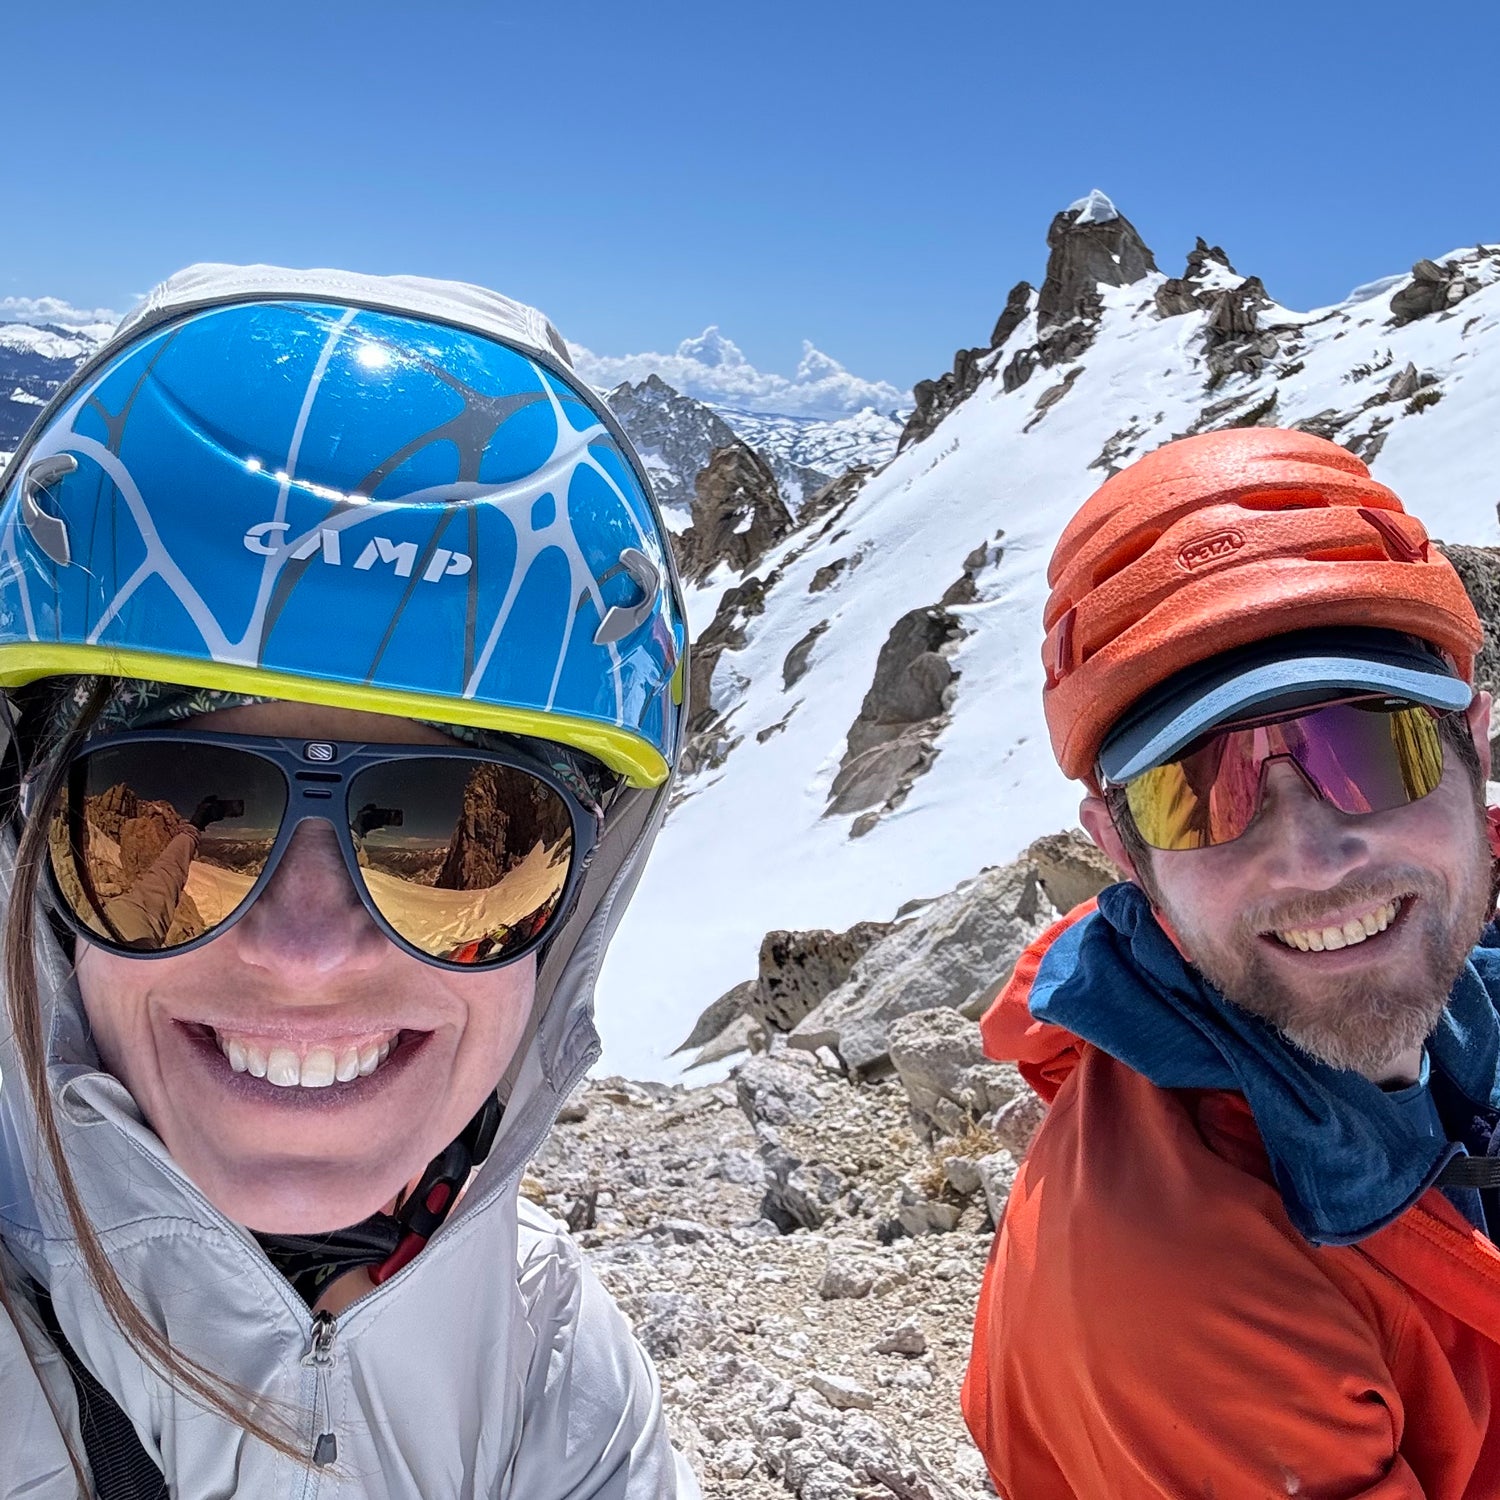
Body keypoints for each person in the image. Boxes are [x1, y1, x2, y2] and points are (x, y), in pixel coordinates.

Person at [0, 265, 700, 1496]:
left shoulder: (555, 1372)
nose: (306, 951)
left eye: (460, 845)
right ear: (32, 853)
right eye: (160, 823)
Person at [962, 428, 1500, 1498]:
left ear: (1473, 752)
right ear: (1121, 852)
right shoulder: (1170, 1301)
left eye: (1372, 746)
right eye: (1202, 792)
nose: (1311, 860)